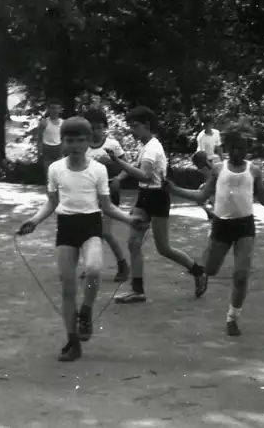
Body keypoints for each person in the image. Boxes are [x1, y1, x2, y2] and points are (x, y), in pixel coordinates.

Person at [17, 116, 146, 362]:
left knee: (94, 269)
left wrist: (130, 220)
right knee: (67, 288)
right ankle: (72, 341)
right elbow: (52, 202)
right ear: (63, 142)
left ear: (89, 142)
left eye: (80, 140)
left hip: (91, 225)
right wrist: (33, 221)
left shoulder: (98, 169)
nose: (75, 145)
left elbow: (107, 206)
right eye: (70, 140)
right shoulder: (56, 169)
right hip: (66, 227)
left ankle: (85, 311)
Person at [166, 124, 264, 337]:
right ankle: (203, 271)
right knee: (210, 270)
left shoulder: (254, 171)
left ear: (247, 150)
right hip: (221, 225)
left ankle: (232, 318)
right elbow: (202, 197)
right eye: (234, 149)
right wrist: (175, 190)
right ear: (228, 149)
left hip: (244, 227)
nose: (238, 153)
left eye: (242, 149)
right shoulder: (218, 169)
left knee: (241, 275)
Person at [105, 106, 207, 305]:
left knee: (163, 248)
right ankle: (137, 290)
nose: (132, 130)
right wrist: (119, 177)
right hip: (145, 195)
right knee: (134, 242)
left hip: (157, 196)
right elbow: (137, 168)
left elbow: (144, 175)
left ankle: (198, 271)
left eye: (135, 126)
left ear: (147, 125)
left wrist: (117, 161)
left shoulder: (152, 148)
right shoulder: (147, 145)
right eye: (130, 126)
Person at [80, 107, 130, 282]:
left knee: (106, 232)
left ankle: (123, 264)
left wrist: (118, 178)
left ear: (104, 127)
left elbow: (127, 167)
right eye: (92, 127)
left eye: (99, 127)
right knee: (87, 231)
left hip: (108, 192)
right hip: (88, 193)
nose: (96, 131)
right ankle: (90, 266)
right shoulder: (82, 146)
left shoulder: (112, 145)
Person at [35, 98, 64, 180]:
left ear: (60, 110)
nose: (54, 110)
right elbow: (39, 139)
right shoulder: (44, 122)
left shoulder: (63, 123)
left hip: (58, 149)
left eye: (57, 108)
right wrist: (39, 153)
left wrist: (63, 152)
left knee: (59, 175)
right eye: (52, 108)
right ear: (49, 109)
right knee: (49, 175)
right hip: (47, 149)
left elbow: (64, 139)